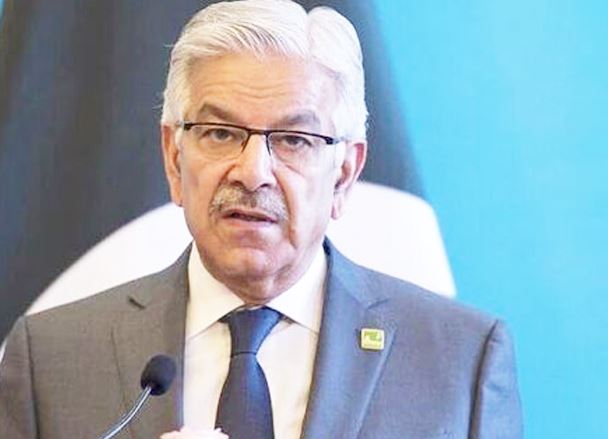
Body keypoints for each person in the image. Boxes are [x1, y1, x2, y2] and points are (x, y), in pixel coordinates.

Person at [0, 1, 523, 438]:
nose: (252, 173)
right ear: (174, 158)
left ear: (344, 174)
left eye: (294, 139)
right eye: (220, 133)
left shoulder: (459, 363)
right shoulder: (52, 359)